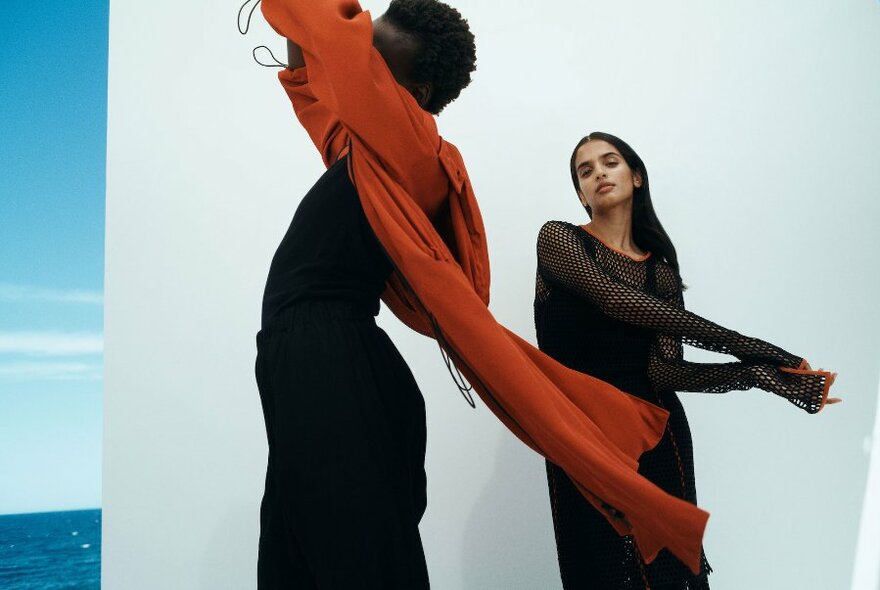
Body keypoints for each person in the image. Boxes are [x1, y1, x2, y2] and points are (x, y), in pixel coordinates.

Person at [534, 131, 839, 589]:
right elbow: (616, 300)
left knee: (672, 573)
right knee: (599, 567)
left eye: (610, 162)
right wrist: (759, 348)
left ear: (636, 177)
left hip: (657, 434)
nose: (598, 172)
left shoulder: (660, 272)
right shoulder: (560, 240)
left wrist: (753, 375)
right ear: (580, 193)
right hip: (584, 432)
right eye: (586, 169)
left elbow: (664, 371)